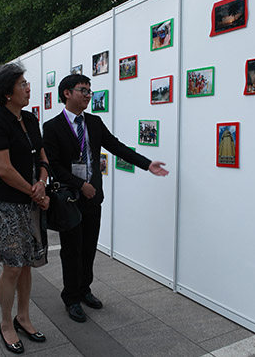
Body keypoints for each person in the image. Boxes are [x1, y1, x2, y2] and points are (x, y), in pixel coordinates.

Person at [43, 74, 169, 323]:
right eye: (83, 90)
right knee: (71, 250)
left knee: (89, 248)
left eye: (90, 91)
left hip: (92, 199)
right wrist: (81, 185)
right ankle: (70, 297)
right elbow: (54, 165)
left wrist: (147, 164)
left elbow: (116, 146)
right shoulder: (52, 126)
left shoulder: (94, 122)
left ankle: (84, 289)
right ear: (67, 93)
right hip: (69, 199)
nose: (89, 95)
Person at [0, 63, 49, 354]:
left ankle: (24, 317)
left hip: (32, 200)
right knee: (12, 266)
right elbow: (3, 169)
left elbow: (43, 156)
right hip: (7, 203)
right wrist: (34, 191)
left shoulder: (30, 119)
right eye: (22, 84)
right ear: (7, 93)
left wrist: (43, 182)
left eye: (26, 83)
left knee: (27, 263)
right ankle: (6, 323)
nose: (28, 88)